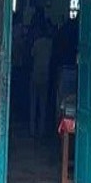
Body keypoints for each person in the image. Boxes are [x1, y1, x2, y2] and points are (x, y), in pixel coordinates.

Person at [29, 9, 54, 139]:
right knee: (43, 105)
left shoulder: (37, 43)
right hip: (45, 76)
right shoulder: (50, 44)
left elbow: (31, 55)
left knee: (34, 103)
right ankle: (42, 130)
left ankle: (32, 130)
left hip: (35, 74)